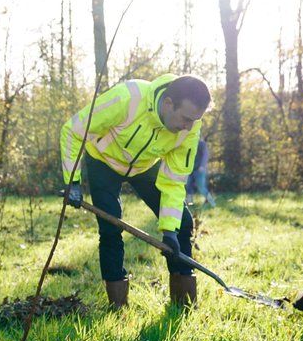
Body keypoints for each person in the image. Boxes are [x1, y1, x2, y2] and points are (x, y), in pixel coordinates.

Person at [60, 73, 211, 308]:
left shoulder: (190, 127)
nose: (188, 126)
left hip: (143, 166)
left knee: (182, 223)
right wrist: (73, 182)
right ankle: (118, 305)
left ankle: (183, 303)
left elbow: (174, 180)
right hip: (104, 160)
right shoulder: (127, 98)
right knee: (110, 228)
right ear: (168, 103)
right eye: (185, 118)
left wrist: (169, 230)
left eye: (194, 120)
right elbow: (74, 129)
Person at [185, 138, 216, 207]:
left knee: (201, 187)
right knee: (188, 186)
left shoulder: (201, 144)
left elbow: (205, 155)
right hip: (190, 169)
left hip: (199, 170)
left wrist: (202, 165)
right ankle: (189, 203)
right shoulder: (188, 142)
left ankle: (212, 202)